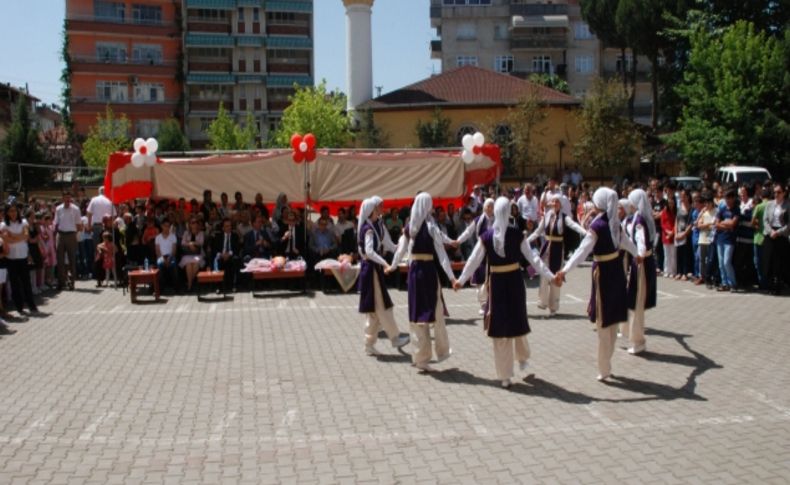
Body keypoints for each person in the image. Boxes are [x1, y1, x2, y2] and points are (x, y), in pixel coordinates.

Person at [454, 197, 557, 389]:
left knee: (506, 327)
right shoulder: (514, 235)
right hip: (513, 284)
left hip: (501, 285)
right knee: (510, 324)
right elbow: (534, 258)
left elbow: (473, 260)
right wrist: (550, 276)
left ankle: (507, 372)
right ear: (509, 211)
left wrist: (460, 280)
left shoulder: (490, 236)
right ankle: (514, 365)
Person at [555, 188, 639, 381]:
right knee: (612, 318)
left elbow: (582, 250)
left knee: (604, 319)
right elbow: (627, 243)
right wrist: (638, 255)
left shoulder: (599, 224)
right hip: (617, 270)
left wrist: (565, 270)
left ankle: (604, 367)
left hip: (603, 273)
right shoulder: (614, 224)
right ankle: (606, 364)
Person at [390, 193, 458, 372]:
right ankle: (429, 355)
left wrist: (393, 265)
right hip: (425, 273)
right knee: (429, 314)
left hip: (417, 273)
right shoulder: (425, 227)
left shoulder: (414, 227)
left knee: (419, 315)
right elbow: (441, 254)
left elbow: (400, 250)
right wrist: (451, 277)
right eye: (430, 204)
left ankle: (422, 357)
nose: (433, 207)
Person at [357, 198, 410, 355]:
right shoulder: (368, 229)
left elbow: (390, 245)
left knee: (374, 311)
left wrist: (402, 248)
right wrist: (386, 264)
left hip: (375, 268)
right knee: (383, 306)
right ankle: (394, 337)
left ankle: (369, 344)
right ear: (372, 209)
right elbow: (369, 252)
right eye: (380, 206)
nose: (383, 208)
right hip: (371, 269)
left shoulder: (378, 224)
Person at [526, 194, 586, 316]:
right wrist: (526, 241)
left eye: (557, 202)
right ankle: (542, 301)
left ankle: (553, 306)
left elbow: (574, 225)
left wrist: (584, 232)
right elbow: (538, 232)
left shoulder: (564, 217)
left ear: (561, 204)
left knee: (556, 274)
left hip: (558, 249)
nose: (555, 203)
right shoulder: (547, 216)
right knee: (543, 274)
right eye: (553, 201)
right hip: (546, 248)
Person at [623, 189, 658, 355]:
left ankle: (638, 341)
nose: (629, 203)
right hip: (640, 262)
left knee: (637, 303)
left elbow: (641, 241)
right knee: (635, 302)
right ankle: (635, 338)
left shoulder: (639, 220)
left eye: (631, 200)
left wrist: (640, 254)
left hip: (642, 264)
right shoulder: (637, 217)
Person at [454, 198, 495, 314]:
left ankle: (492, 303)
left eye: (492, 206)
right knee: (480, 277)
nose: (490, 208)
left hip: (493, 253)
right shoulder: (478, 220)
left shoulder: (498, 220)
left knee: (492, 278)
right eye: (488, 206)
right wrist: (458, 241)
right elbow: (468, 232)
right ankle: (483, 304)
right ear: (484, 208)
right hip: (481, 251)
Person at [1, 205, 40, 316]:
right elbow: (5, 239)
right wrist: (18, 236)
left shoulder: (24, 222)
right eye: (10, 211)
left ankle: (31, 305)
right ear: (7, 213)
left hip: (23, 257)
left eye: (15, 211)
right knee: (14, 284)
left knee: (26, 282)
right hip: (11, 258)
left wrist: (13, 236)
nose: (13, 213)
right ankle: (19, 307)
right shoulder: (3, 225)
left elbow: (26, 236)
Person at [762, 183, 789, 295]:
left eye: (779, 192)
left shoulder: (788, 205)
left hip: (781, 235)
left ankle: (778, 286)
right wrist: (771, 231)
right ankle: (769, 285)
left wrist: (778, 232)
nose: (776, 194)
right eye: (775, 192)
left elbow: (789, 224)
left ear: (784, 193)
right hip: (770, 234)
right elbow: (765, 220)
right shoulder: (769, 204)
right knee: (768, 261)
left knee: (779, 262)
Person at [54, 192, 83, 291]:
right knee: (60, 260)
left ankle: (72, 282)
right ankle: (61, 282)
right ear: (62, 198)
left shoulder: (75, 209)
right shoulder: (58, 209)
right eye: (65, 198)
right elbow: (56, 223)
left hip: (71, 234)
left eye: (69, 198)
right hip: (61, 234)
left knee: (72, 260)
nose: (67, 200)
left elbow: (79, 225)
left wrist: (75, 235)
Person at [715, 190, 740, 292]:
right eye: (726, 198)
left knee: (726, 262)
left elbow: (733, 224)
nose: (727, 200)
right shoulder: (722, 209)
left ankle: (733, 283)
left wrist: (724, 224)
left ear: (733, 198)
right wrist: (726, 224)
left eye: (729, 198)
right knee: (721, 263)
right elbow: (716, 224)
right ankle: (724, 283)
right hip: (720, 238)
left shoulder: (736, 210)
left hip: (730, 240)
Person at [211, 218, 241, 293]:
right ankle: (218, 286)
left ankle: (234, 285)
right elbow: (214, 249)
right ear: (223, 228)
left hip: (231, 256)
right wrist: (221, 254)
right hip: (221, 256)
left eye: (230, 226)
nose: (229, 228)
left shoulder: (235, 236)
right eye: (227, 226)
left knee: (235, 260)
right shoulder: (218, 236)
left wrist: (229, 254)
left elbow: (237, 249)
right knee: (216, 260)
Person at [751, 187, 771, 291]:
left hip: (759, 237)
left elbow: (752, 222)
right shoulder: (773, 205)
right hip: (770, 237)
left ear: (761, 196)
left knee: (758, 262)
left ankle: (762, 283)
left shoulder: (759, 207)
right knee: (768, 261)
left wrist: (758, 226)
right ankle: (769, 282)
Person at [180, 218, 206, 292]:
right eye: (192, 223)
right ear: (190, 224)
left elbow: (201, 243)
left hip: (198, 254)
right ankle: (191, 284)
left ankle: (189, 283)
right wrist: (189, 244)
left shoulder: (201, 233)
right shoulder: (186, 233)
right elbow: (182, 243)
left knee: (196, 264)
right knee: (188, 265)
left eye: (195, 223)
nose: (194, 225)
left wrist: (193, 243)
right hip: (188, 254)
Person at [155, 219, 179, 293]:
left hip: (170, 256)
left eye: (168, 226)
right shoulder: (158, 237)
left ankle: (176, 287)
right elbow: (157, 251)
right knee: (159, 264)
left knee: (173, 264)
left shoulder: (173, 236)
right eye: (165, 226)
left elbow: (174, 250)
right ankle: (161, 287)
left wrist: (169, 258)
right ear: (162, 226)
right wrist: (163, 258)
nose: (167, 228)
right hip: (161, 257)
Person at [660, 195, 677, 278]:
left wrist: (672, 232)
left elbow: (676, 224)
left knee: (673, 255)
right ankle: (667, 270)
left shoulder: (675, 212)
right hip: (665, 235)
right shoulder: (664, 212)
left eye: (672, 203)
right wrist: (667, 232)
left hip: (673, 235)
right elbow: (662, 224)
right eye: (669, 203)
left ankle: (673, 271)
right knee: (667, 255)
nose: (671, 204)